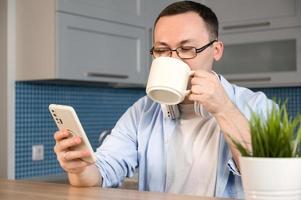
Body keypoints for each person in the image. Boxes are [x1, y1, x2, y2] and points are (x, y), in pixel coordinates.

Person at [53, 1, 274, 199]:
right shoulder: (142, 112)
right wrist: (80, 169)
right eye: (162, 50)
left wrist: (223, 108)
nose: (173, 58)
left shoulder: (257, 106)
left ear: (216, 50)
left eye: (186, 49)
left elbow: (270, 179)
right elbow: (100, 174)